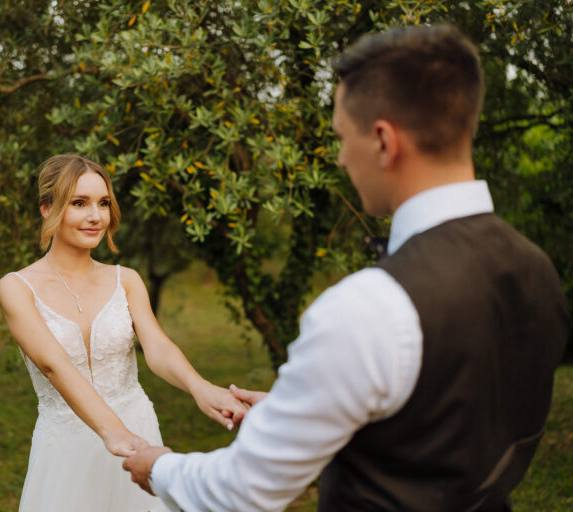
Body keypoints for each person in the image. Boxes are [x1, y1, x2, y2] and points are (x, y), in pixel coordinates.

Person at [123, 24, 570, 511]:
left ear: (383, 141)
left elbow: (242, 489)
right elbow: (448, 419)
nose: (338, 157)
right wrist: (294, 415)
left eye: (341, 136)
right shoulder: (539, 271)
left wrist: (159, 466)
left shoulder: (370, 307)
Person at [0, 154, 246, 511]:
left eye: (103, 203)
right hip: (66, 445)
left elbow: (157, 346)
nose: (96, 216)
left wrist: (200, 387)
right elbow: (54, 365)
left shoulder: (125, 279)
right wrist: (112, 431)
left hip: (137, 430)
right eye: (79, 203)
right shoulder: (16, 287)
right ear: (47, 208)